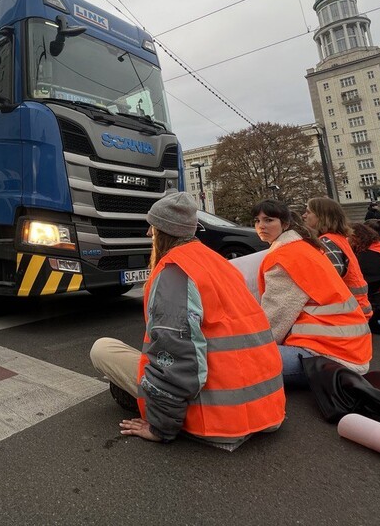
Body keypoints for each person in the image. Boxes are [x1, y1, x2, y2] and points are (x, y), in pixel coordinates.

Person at [90, 192, 285, 449]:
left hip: (220, 415)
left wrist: (160, 427)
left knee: (102, 349)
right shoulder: (219, 263)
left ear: (163, 232)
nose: (149, 233)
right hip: (268, 409)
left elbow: (175, 354)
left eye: (153, 226)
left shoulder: (174, 270)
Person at [252, 199, 372, 387]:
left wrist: (251, 344)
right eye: (257, 221)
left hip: (328, 354)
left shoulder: (284, 258)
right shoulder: (303, 247)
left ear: (285, 224)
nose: (261, 226)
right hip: (349, 347)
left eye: (268, 220)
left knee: (239, 360)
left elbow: (276, 318)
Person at [302, 196, 372, 319]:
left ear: (322, 216)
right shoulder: (338, 238)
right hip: (357, 308)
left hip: (348, 312)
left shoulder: (326, 241)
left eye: (308, 212)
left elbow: (328, 279)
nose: (303, 216)